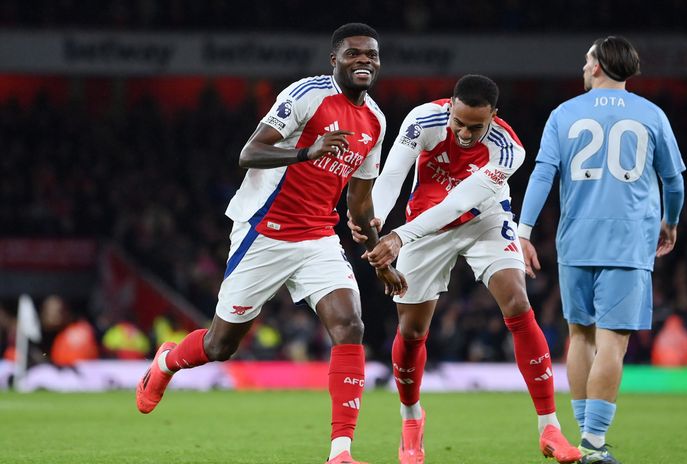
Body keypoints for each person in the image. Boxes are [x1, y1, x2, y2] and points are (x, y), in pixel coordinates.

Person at [135, 23, 407, 464]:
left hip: (319, 235)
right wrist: (308, 151)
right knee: (221, 346)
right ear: (334, 60)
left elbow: (359, 199)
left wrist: (378, 257)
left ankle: (341, 452)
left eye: (372, 55)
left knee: (350, 326)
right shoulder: (306, 95)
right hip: (265, 231)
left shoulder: (374, 120)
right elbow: (249, 153)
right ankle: (167, 362)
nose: (364, 61)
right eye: (353, 54)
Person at [350, 74, 581, 464]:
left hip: (482, 219)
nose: (465, 133)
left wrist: (398, 237)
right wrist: (374, 221)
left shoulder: (509, 149)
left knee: (517, 303)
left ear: (494, 115)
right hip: (423, 220)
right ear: (449, 107)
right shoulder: (423, 120)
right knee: (412, 331)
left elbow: (459, 203)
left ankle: (550, 427)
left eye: (476, 126)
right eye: (458, 122)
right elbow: (392, 177)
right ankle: (411, 420)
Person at [517, 36, 686, 464]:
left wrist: (523, 231)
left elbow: (543, 175)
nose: (583, 65)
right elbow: (675, 181)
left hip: (575, 239)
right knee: (613, 341)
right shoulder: (652, 114)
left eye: (586, 59)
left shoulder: (564, 113)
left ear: (596, 67)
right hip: (630, 241)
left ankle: (581, 438)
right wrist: (671, 221)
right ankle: (593, 443)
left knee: (580, 335)